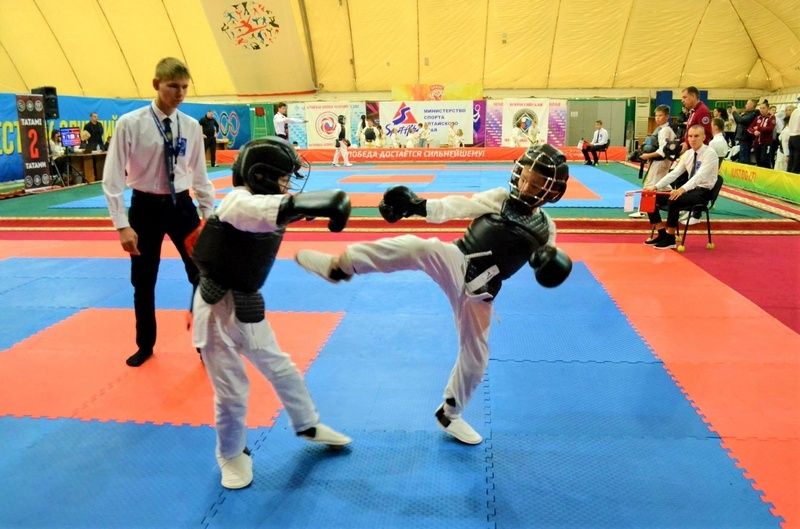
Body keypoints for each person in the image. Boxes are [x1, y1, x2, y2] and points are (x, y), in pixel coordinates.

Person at [294, 144, 573, 445]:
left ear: (552, 192)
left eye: (536, 184)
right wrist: (417, 206)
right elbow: (457, 206)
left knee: (476, 358)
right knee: (420, 247)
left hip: (482, 291)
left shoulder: (547, 228)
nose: (526, 186)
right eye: (525, 178)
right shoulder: (499, 198)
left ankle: (450, 414)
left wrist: (550, 264)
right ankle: (339, 267)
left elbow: (548, 261)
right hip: (458, 259)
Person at [189, 137, 352, 490]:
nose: (287, 185)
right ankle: (231, 454)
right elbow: (265, 211)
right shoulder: (238, 201)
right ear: (260, 175)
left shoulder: (269, 203)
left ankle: (307, 424)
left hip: (246, 303)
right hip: (214, 311)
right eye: (283, 178)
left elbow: (279, 209)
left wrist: (309, 208)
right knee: (233, 391)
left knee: (282, 368)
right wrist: (319, 204)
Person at [102, 57, 215, 367]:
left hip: (182, 207)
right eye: (173, 86)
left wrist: (209, 216)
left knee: (203, 275)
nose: (179, 94)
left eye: (184, 87)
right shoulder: (130, 123)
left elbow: (200, 175)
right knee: (143, 280)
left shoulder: (190, 126)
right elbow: (112, 178)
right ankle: (145, 344)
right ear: (156, 84)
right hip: (145, 208)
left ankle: (204, 344)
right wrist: (121, 225)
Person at [643, 124, 719, 250]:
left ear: (704, 137)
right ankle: (662, 234)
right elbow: (675, 173)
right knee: (649, 197)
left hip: (703, 192)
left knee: (674, 199)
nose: (693, 139)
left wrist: (682, 189)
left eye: (696, 136)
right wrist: (655, 187)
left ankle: (670, 238)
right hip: (689, 190)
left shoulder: (710, 154)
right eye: (690, 136)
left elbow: (699, 176)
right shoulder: (688, 154)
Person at [629, 105, 677, 218]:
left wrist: (647, 156)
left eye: (660, 115)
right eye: (656, 115)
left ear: (667, 116)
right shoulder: (663, 129)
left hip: (660, 161)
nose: (657, 118)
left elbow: (663, 151)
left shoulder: (665, 130)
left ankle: (643, 210)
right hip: (662, 161)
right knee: (663, 184)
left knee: (650, 184)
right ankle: (675, 205)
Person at [679, 87, 712, 153]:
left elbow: (706, 134)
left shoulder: (702, 111)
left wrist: (688, 145)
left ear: (693, 96)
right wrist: (682, 141)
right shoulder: (694, 110)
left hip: (698, 152)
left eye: (684, 97)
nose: (682, 100)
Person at [748, 102, 776, 168]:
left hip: (766, 143)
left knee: (765, 160)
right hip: (757, 143)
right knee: (758, 160)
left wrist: (758, 128)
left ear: (768, 109)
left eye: (763, 108)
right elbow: (750, 128)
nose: (761, 110)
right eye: (760, 108)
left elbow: (770, 128)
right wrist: (754, 131)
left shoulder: (771, 117)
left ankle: (768, 173)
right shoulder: (758, 118)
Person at [732, 99, 758, 164]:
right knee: (742, 155)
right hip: (743, 137)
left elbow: (741, 120)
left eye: (747, 104)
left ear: (752, 105)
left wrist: (735, 112)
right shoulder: (747, 113)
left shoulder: (753, 114)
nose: (745, 105)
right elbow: (739, 121)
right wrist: (735, 114)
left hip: (746, 137)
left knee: (744, 157)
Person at [789, 101, 800, 174]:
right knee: (797, 159)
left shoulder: (795, 111)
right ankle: (794, 175)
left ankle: (789, 174)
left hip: (791, 137)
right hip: (798, 136)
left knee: (792, 158)